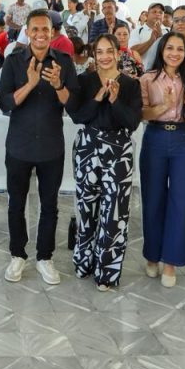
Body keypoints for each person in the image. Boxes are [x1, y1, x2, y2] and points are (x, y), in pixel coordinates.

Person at [0, 10, 79, 284]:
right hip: (19, 145)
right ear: (28, 32)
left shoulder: (64, 62)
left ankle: (45, 257)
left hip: (50, 146)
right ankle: (17, 255)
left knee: (49, 206)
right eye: (35, 29)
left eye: (46, 29)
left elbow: (74, 106)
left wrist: (58, 85)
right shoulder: (13, 61)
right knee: (16, 204)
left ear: (53, 32)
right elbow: (5, 103)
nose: (41, 34)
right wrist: (31, 84)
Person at [66, 33, 143, 290]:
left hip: (119, 150)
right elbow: (78, 116)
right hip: (88, 147)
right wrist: (98, 97)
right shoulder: (84, 81)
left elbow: (132, 122)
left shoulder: (131, 85)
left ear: (118, 53)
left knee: (115, 213)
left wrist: (114, 100)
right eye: (99, 52)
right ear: (93, 55)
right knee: (86, 209)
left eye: (109, 51)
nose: (105, 56)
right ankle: (84, 263)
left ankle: (106, 272)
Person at [139, 31, 185, 288]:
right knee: (153, 198)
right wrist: (165, 105)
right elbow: (142, 114)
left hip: (183, 141)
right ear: (161, 50)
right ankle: (152, 255)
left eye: (180, 49)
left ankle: (171, 261)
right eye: (170, 48)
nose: (174, 53)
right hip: (155, 138)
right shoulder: (147, 79)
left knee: (182, 201)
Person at [142, 5, 185, 87]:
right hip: (164, 90)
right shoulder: (160, 42)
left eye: (184, 19)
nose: (180, 23)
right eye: (176, 20)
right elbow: (149, 69)